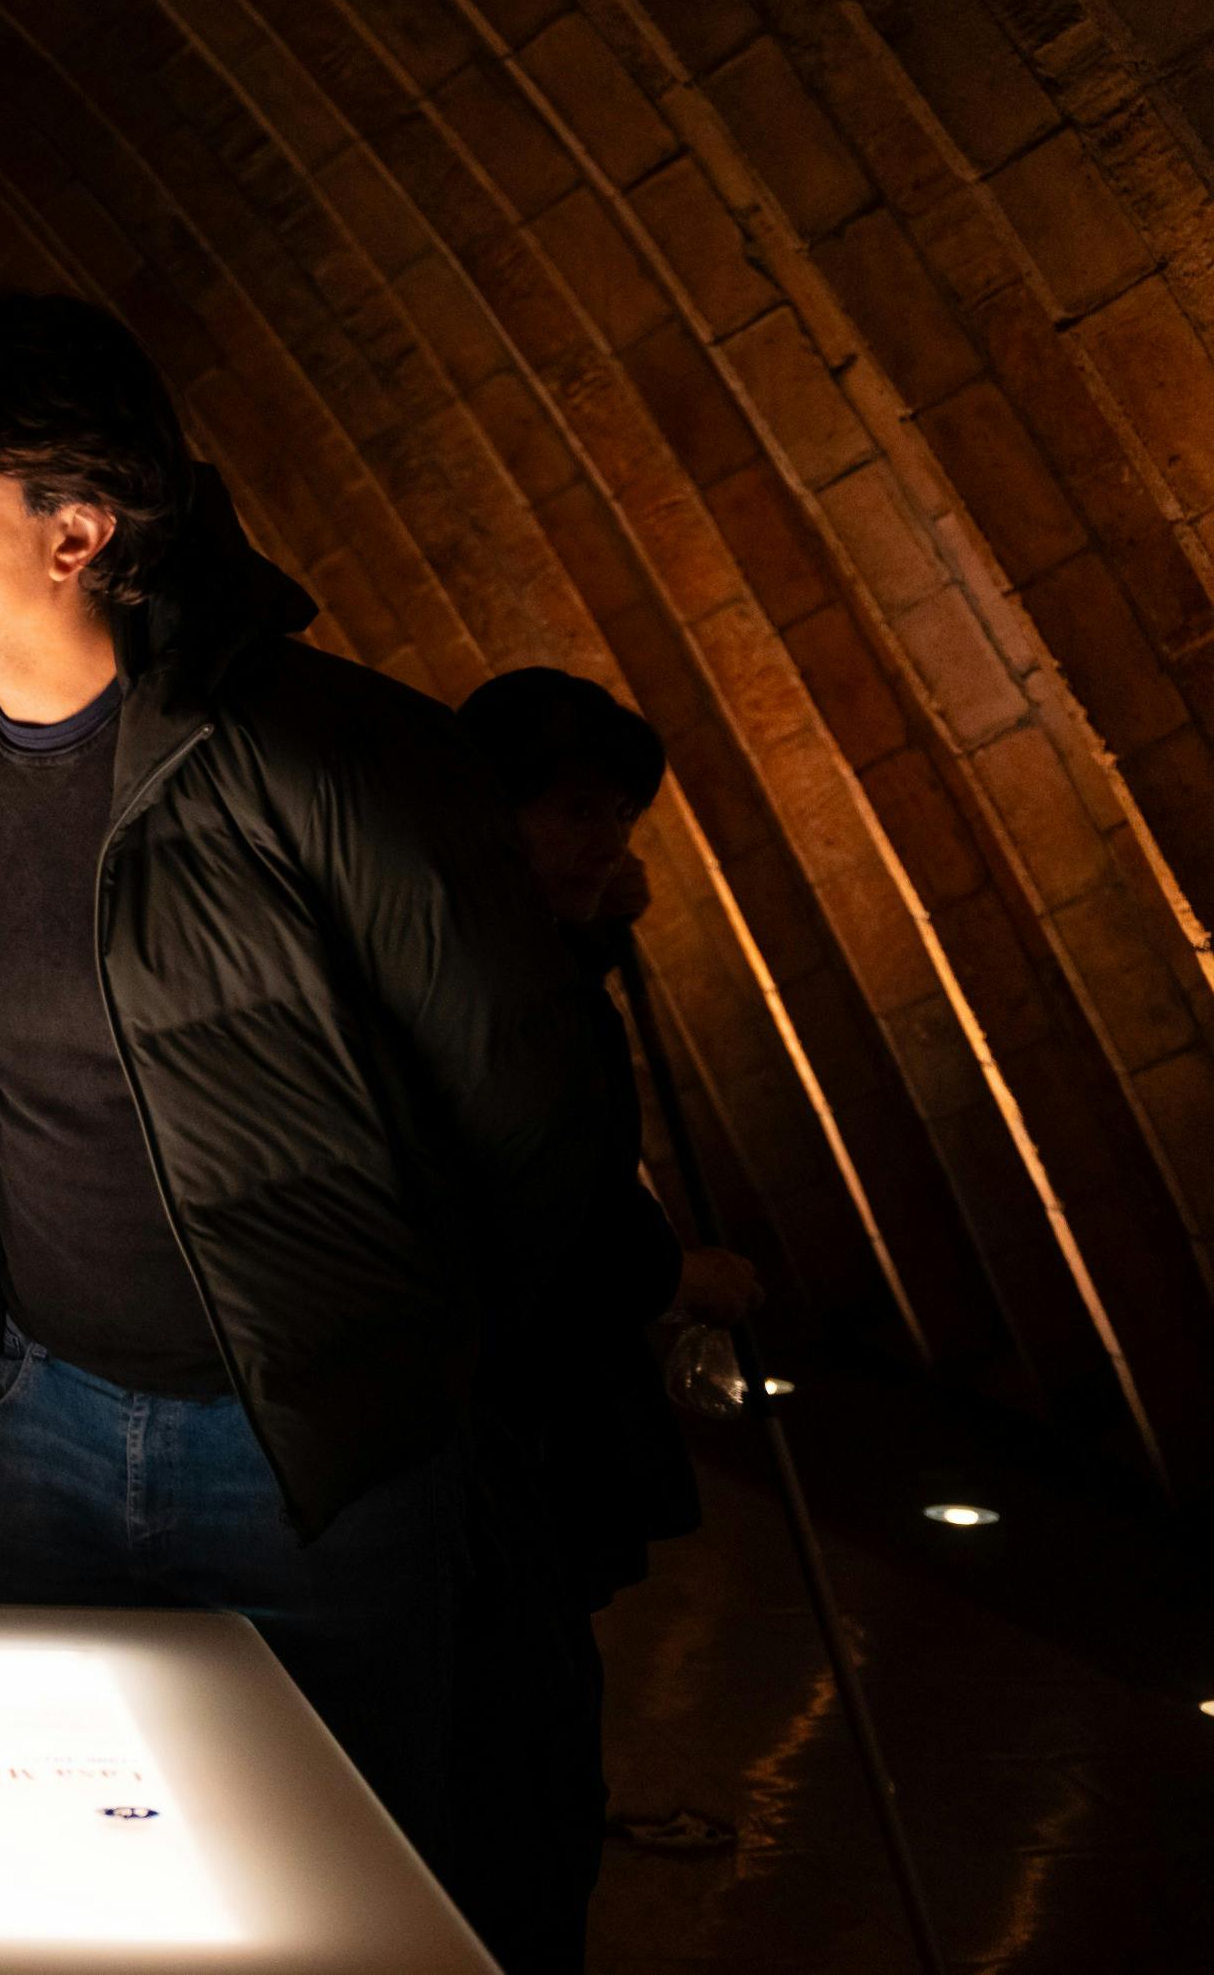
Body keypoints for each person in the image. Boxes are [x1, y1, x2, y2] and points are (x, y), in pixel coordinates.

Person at [0, 291, 610, 1867]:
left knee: (323, 1879)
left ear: (79, 529)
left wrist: (419, 1395)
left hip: (306, 1444)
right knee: (80, 1880)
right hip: (46, 1415)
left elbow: (538, 1121)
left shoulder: (326, 761)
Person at [447, 666, 760, 1975]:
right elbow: (541, 1198)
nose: (604, 842)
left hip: (525, 1434)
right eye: (573, 811)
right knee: (516, 1761)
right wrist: (677, 1276)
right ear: (488, 810)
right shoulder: (484, 979)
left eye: (620, 817)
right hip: (500, 1433)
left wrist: (586, 928)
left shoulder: (513, 944)